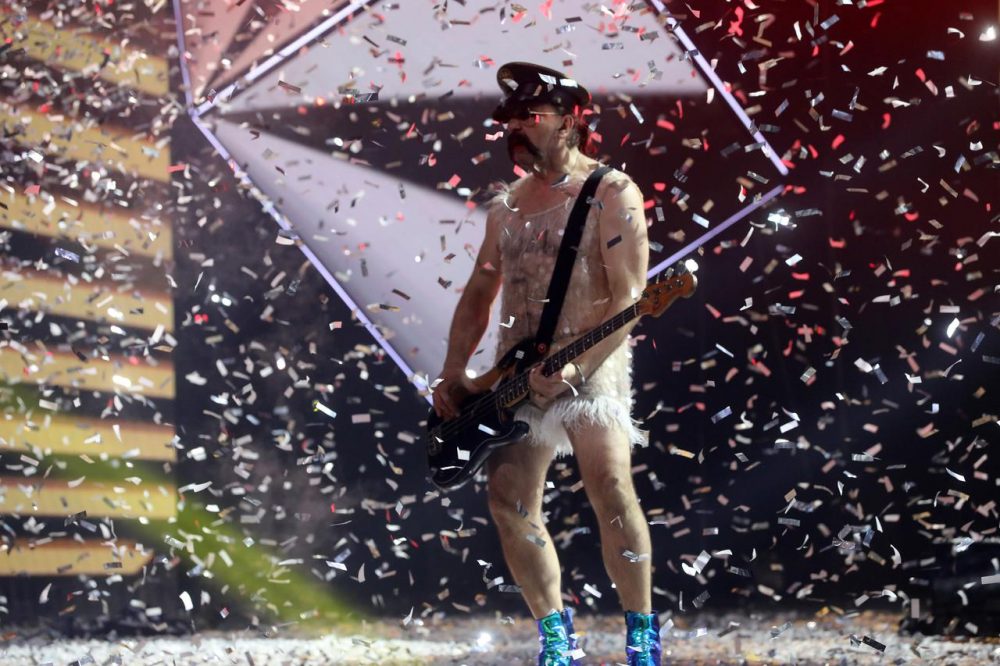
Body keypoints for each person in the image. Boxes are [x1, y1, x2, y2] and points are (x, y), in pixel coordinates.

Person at [431, 62, 660, 666]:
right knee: (508, 501)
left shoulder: (612, 191)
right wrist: (455, 371)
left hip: (592, 365)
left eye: (530, 117)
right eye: (510, 120)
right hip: (515, 379)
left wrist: (576, 370)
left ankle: (642, 637)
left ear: (569, 121)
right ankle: (557, 641)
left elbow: (629, 296)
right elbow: (479, 293)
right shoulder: (506, 207)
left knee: (610, 485)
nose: (517, 129)